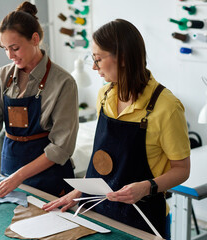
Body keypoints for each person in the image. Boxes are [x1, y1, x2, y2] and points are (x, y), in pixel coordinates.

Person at [42, 19, 190, 239]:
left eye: (98, 59)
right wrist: (78, 193)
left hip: (142, 219)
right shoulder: (103, 97)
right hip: (98, 212)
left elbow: (182, 169)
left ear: (121, 58)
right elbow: (102, 163)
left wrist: (145, 187)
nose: (94, 67)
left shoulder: (166, 107)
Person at [0, 2, 78, 198]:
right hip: (10, 172)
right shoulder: (2, 77)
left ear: (35, 39)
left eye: (15, 48)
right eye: (5, 49)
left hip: (50, 179)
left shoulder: (63, 83)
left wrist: (18, 177)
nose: (10, 55)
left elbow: (60, 148)